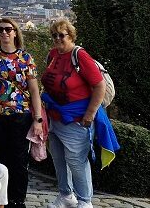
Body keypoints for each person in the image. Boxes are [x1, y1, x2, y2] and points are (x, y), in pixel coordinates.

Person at [40, 18, 112, 208]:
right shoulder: (53, 54)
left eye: (61, 35)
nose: (57, 38)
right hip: (55, 116)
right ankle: (65, 194)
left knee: (76, 160)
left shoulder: (79, 56)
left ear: (70, 36)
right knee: (58, 158)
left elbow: (99, 85)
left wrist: (90, 113)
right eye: (54, 35)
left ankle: (85, 200)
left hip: (76, 118)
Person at [0, 18, 43, 208]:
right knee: (2, 157)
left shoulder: (25, 58)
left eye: (8, 29)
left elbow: (34, 90)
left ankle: (18, 199)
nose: (4, 33)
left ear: (15, 32)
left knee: (20, 159)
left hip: (20, 115)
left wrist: (37, 118)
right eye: (0, 30)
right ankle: (4, 199)